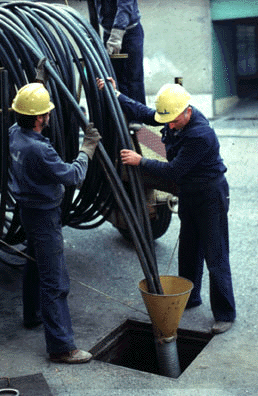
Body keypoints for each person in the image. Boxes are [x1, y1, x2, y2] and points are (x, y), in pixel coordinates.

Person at [97, 77, 236, 334]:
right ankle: (190, 298)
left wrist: (141, 161)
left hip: (210, 195)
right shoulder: (174, 117)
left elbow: (174, 170)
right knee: (189, 247)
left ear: (189, 111)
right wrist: (118, 96)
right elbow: (148, 114)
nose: (169, 125)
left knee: (215, 255)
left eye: (174, 120)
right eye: (168, 120)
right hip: (190, 193)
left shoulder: (200, 134)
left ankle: (225, 313)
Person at [9, 82, 101, 363]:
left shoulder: (14, 133)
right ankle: (62, 347)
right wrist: (87, 149)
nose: (49, 115)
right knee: (55, 281)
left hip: (27, 209)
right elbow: (73, 176)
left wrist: (37, 83)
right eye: (46, 111)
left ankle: (33, 315)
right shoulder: (40, 150)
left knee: (35, 263)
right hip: (44, 215)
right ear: (39, 119)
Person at [94, 0, 146, 104]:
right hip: (109, 33)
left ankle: (136, 119)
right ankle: (121, 116)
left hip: (129, 33)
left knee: (134, 79)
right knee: (114, 79)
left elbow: (125, 7)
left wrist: (116, 36)